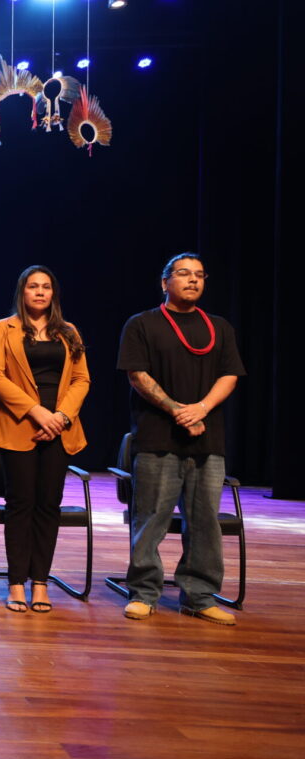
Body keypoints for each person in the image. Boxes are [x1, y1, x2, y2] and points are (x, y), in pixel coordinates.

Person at [116, 253, 244, 625]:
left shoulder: (220, 326)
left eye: (199, 275)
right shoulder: (142, 324)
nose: (193, 280)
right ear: (164, 282)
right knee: (151, 519)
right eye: (184, 274)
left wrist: (200, 409)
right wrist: (178, 411)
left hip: (207, 439)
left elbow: (230, 375)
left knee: (205, 523)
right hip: (158, 439)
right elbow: (137, 375)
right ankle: (144, 593)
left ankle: (199, 597)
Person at [0, 266, 90, 613]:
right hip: (20, 424)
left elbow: (82, 379)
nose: (40, 292)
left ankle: (40, 582)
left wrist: (60, 417)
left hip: (60, 427)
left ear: (53, 293)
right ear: (22, 291)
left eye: (46, 287)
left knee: (48, 505)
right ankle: (16, 582)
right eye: (33, 286)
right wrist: (36, 412)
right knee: (20, 504)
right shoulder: (3, 328)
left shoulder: (68, 331)